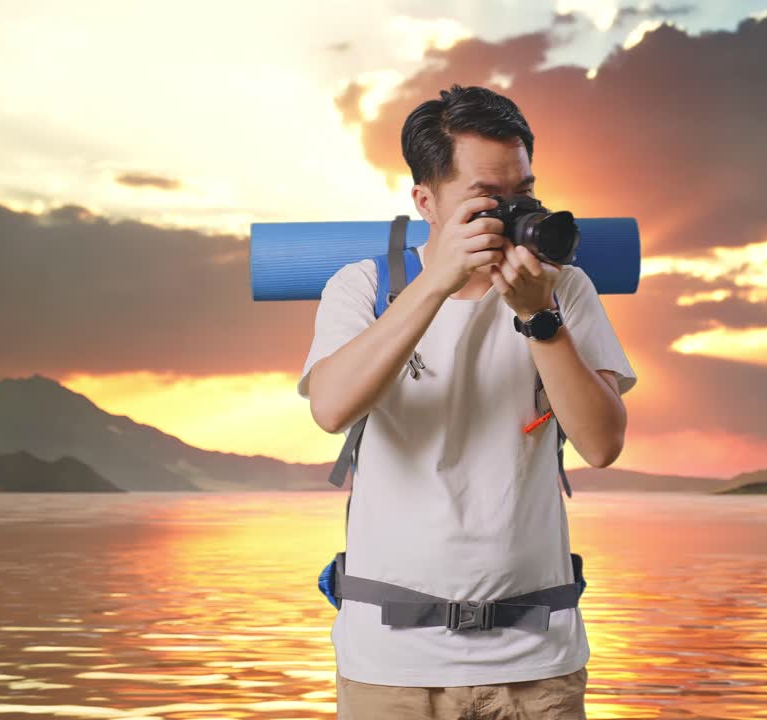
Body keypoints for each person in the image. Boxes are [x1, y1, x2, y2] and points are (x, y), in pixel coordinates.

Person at [297, 83, 638, 719]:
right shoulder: (365, 286)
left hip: (539, 662)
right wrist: (435, 284)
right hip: (391, 665)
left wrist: (541, 320)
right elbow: (330, 408)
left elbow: (602, 443)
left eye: (525, 196)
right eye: (488, 200)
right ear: (427, 201)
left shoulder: (565, 289)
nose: (511, 217)